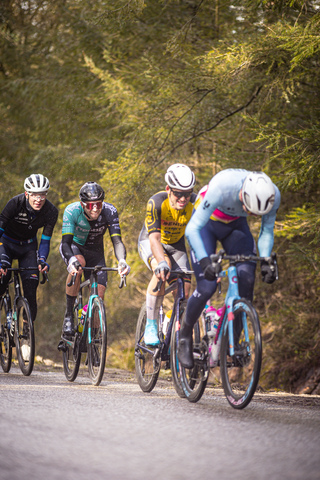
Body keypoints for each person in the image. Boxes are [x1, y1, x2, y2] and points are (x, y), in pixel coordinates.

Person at [178, 168, 281, 368]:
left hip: (235, 226)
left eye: (254, 214)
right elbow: (192, 228)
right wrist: (205, 261)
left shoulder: (272, 195)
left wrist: (267, 259)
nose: (250, 214)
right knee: (207, 286)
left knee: (247, 278)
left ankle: (230, 340)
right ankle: (184, 337)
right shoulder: (222, 186)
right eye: (248, 209)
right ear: (242, 195)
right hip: (206, 225)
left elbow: (266, 230)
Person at [60, 181, 130, 336]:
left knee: (100, 294)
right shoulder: (72, 211)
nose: (96, 208)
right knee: (79, 267)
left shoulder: (110, 211)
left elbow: (117, 241)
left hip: (96, 252)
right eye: (91, 205)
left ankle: (94, 338)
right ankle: (69, 315)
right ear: (82, 204)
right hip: (74, 248)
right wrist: (71, 261)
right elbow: (65, 243)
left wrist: (122, 261)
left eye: (99, 204)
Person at [138, 163, 197, 346]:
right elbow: (154, 238)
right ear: (168, 190)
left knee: (185, 290)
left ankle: (170, 324)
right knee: (163, 270)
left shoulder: (196, 203)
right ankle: (151, 324)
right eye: (178, 193)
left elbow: (201, 234)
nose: (183, 198)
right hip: (151, 242)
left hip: (176, 245)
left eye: (187, 193)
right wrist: (161, 261)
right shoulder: (156, 202)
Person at [0, 174, 58, 322]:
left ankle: (27, 334)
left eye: (42, 195)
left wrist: (42, 260)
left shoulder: (51, 211)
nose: (38, 199)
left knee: (31, 291)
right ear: (27, 194)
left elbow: (45, 241)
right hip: (6, 244)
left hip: (28, 248)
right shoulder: (15, 203)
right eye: (34, 195)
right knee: (3, 276)